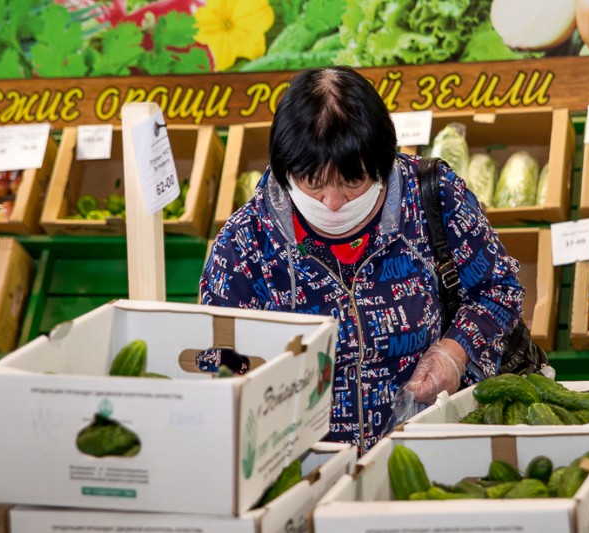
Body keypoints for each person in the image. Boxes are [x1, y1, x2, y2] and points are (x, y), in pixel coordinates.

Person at [200, 66, 525, 455]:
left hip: (428, 453)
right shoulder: (244, 245)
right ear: (286, 169)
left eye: (353, 183)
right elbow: (217, 369)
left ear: (383, 163)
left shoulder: (431, 199)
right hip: (305, 472)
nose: (333, 203)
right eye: (312, 183)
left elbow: (499, 289)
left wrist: (454, 353)